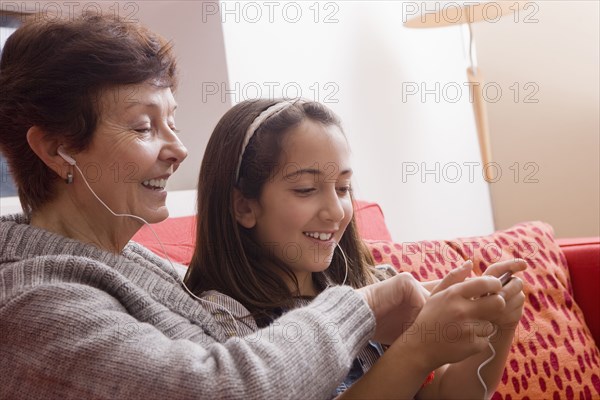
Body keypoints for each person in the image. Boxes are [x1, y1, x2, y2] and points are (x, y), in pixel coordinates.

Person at [0, 13, 427, 399]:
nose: (179, 149)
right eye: (144, 127)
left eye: (173, 122)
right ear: (56, 150)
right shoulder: (32, 305)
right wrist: (364, 309)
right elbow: (218, 388)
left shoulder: (134, 263)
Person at [184, 98, 528, 399]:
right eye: (306, 189)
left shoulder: (374, 283)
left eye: (344, 187)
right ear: (244, 206)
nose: (336, 211)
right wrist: (416, 352)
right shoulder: (225, 318)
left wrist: (499, 326)